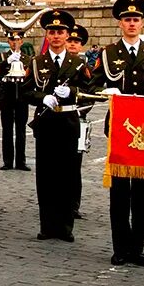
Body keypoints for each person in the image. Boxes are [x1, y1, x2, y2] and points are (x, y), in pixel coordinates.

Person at [87, 0, 144, 267]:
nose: (131, 23)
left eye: (135, 19)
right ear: (120, 24)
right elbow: (93, 85)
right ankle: (120, 246)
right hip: (121, 130)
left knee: (142, 191)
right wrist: (104, 90)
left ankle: (138, 247)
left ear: (142, 23)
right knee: (120, 191)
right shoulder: (108, 54)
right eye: (127, 19)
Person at [22, 10, 89, 242]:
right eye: (52, 32)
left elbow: (90, 93)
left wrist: (71, 92)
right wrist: (42, 98)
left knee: (67, 176)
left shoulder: (78, 63)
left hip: (69, 123)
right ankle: (47, 225)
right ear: (47, 35)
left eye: (61, 32)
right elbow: (25, 91)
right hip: (47, 123)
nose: (57, 36)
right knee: (46, 176)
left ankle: (65, 227)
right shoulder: (37, 62)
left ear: (68, 34)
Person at [65, 24, 91, 219]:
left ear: (81, 46)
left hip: (78, 118)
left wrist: (79, 108)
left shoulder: (84, 67)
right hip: (57, 118)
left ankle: (73, 205)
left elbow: (90, 94)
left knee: (74, 166)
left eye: (76, 42)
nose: (72, 44)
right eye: (70, 41)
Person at [0, 30, 30, 171]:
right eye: (12, 40)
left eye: (17, 40)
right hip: (6, 97)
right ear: (8, 41)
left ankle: (21, 161)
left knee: (21, 130)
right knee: (7, 129)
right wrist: (7, 62)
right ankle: (8, 161)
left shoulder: (27, 59)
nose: (15, 42)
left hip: (22, 97)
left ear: (21, 42)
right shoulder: (2, 56)